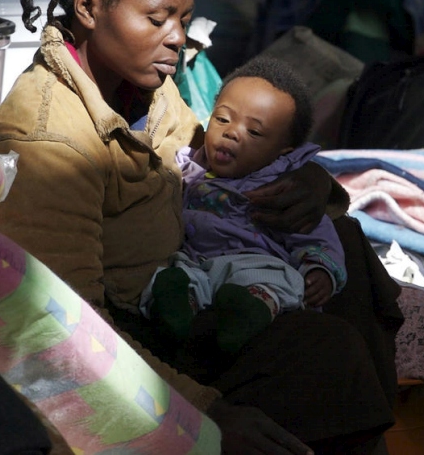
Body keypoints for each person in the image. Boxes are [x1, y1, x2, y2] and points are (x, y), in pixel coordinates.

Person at [0, 0, 403, 455]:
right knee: (320, 350)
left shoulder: (151, 88)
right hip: (135, 338)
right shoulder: (47, 143)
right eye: (156, 19)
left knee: (343, 250)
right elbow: (64, 331)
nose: (177, 37)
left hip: (200, 283)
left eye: (181, 17)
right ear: (86, 7)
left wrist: (315, 187)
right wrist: (202, 416)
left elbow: (224, 164)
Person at [140, 56, 348, 355]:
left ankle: (249, 312)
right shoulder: (189, 169)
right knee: (177, 275)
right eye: (222, 119)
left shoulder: (282, 188)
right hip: (199, 259)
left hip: (254, 263)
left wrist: (322, 270)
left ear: (281, 152)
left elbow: (315, 233)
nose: (232, 132)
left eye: (255, 132)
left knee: (281, 279)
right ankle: (176, 310)